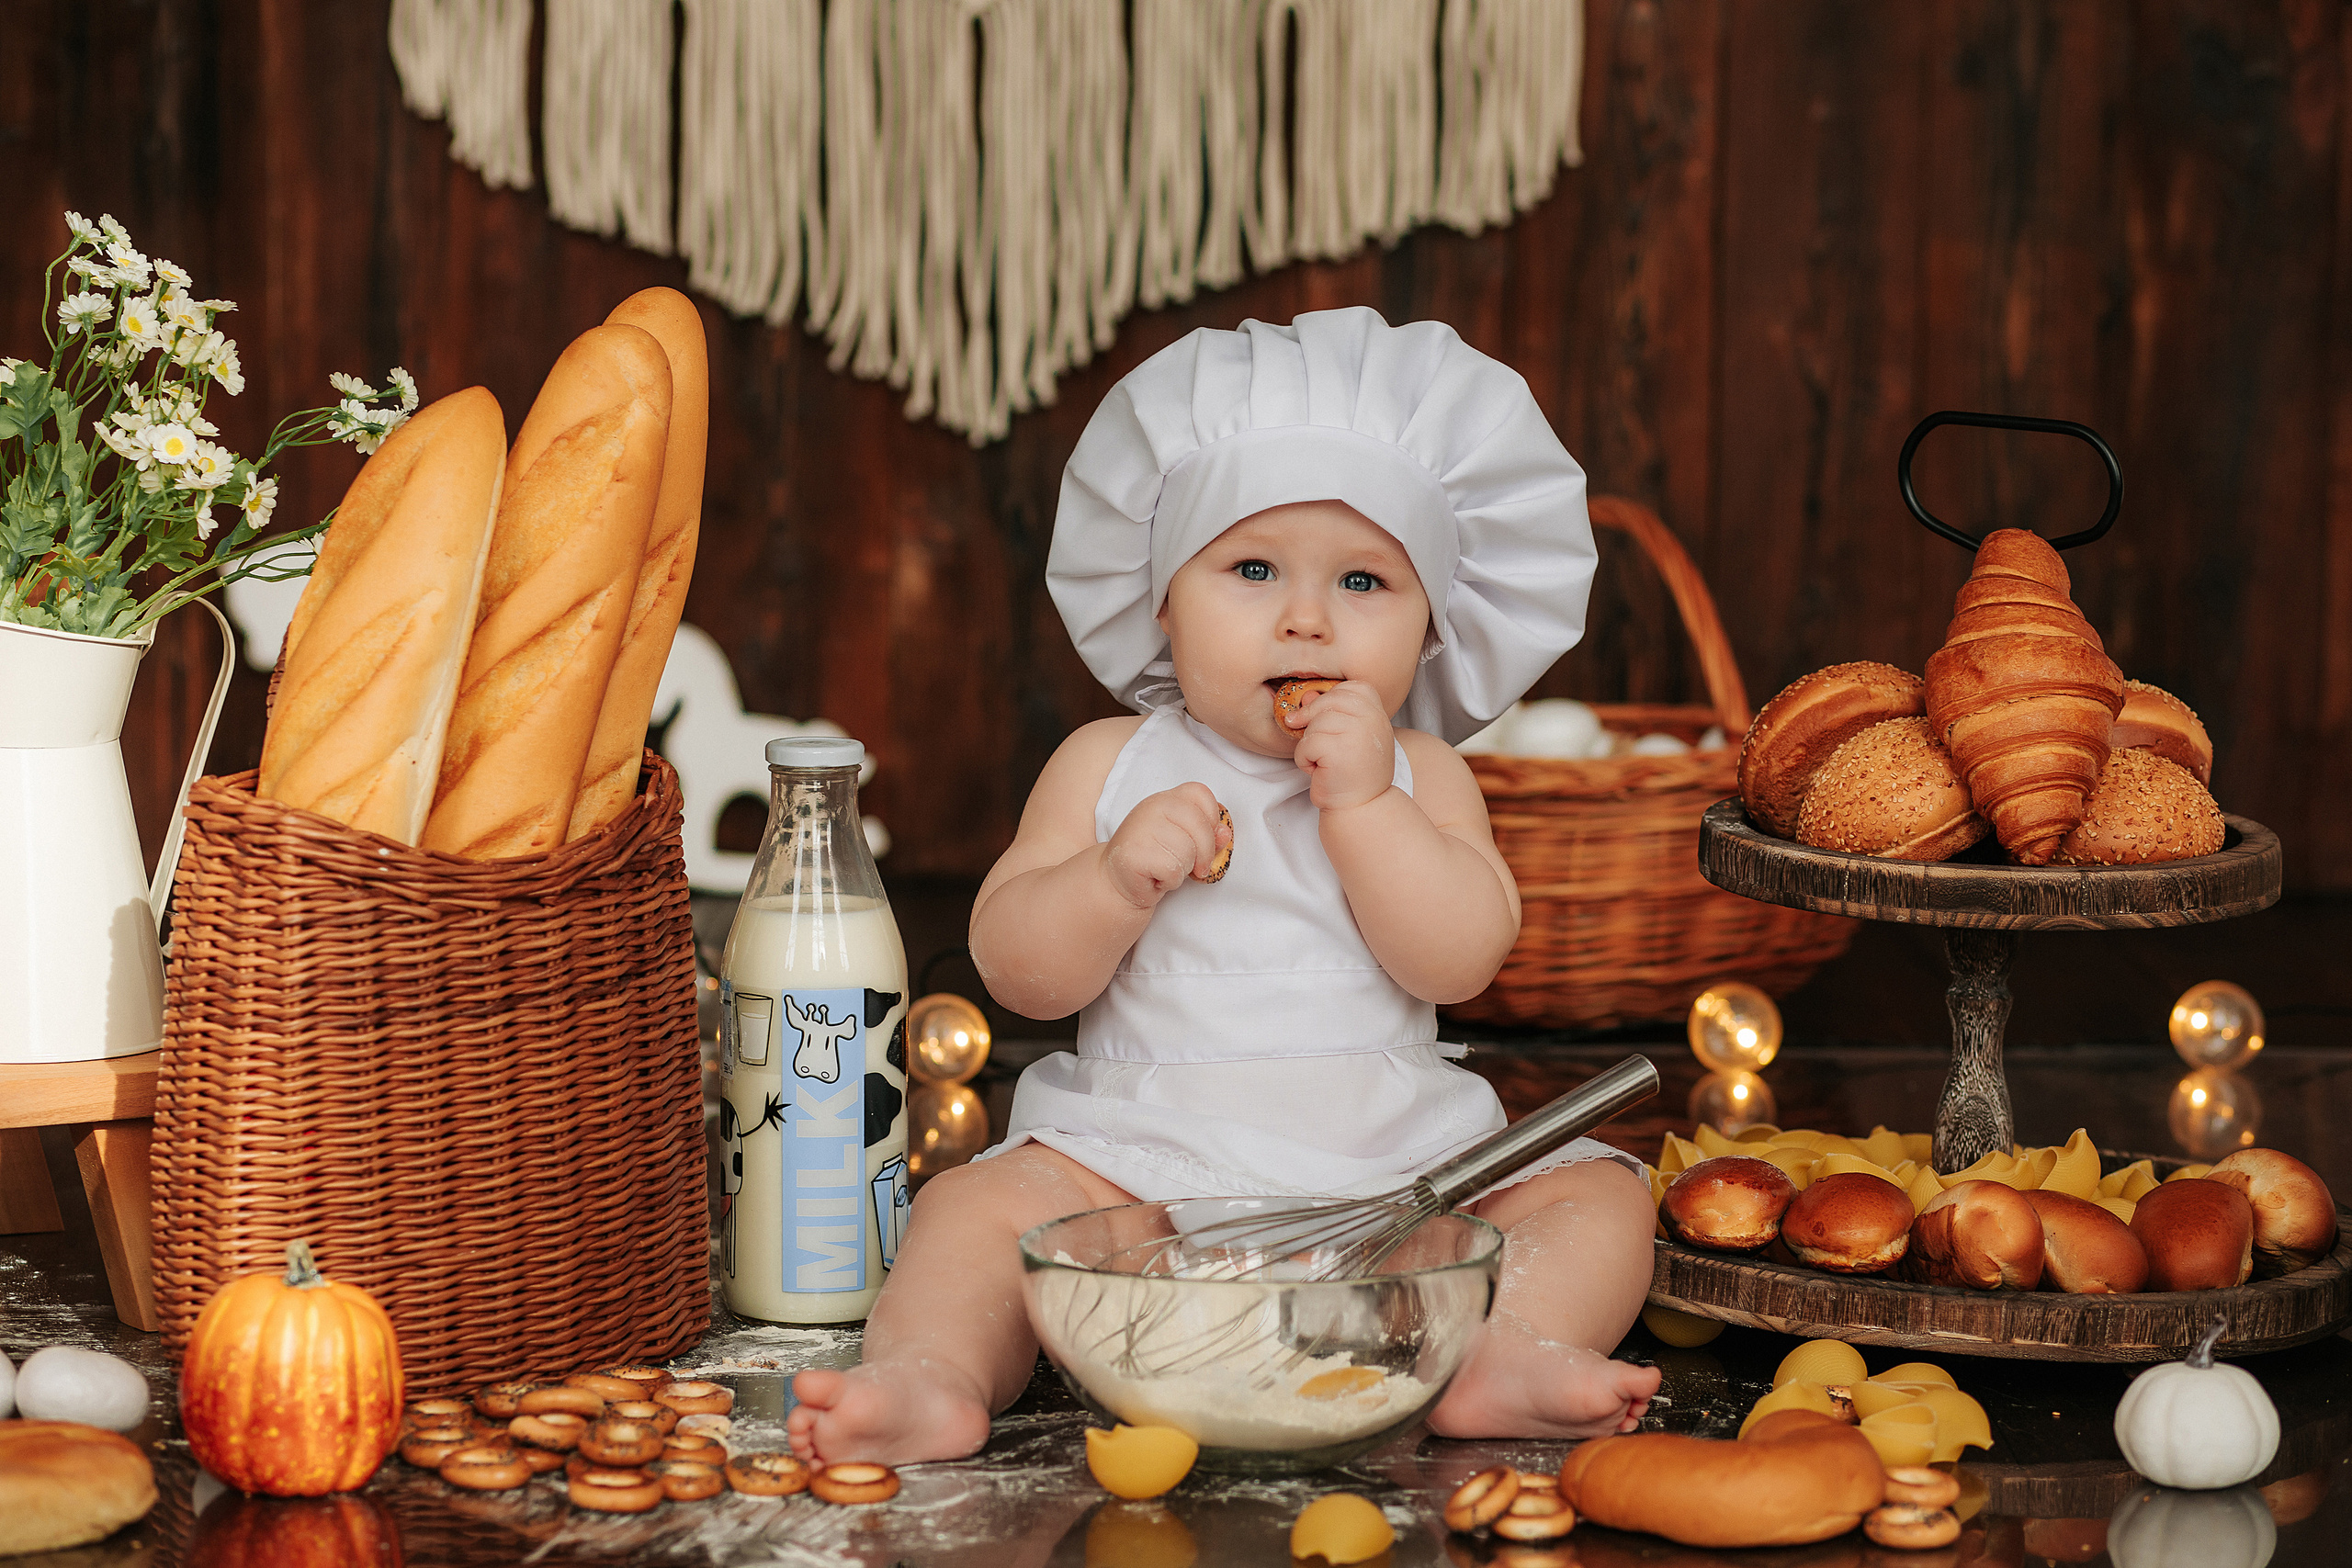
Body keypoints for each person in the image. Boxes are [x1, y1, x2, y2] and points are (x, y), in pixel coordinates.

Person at [788, 309, 1660, 1466]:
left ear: (1433, 627)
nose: (1306, 618)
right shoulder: (1110, 763)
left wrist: (1366, 810)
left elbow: (1456, 960)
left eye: (1363, 581)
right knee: (967, 1213)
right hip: (1142, 1175)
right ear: (1161, 596)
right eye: (1250, 569)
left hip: (1394, 1174)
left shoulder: (1425, 772)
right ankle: (933, 1377)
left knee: (1598, 1197)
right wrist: (1108, 883)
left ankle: (1507, 1346)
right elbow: (1018, 974)